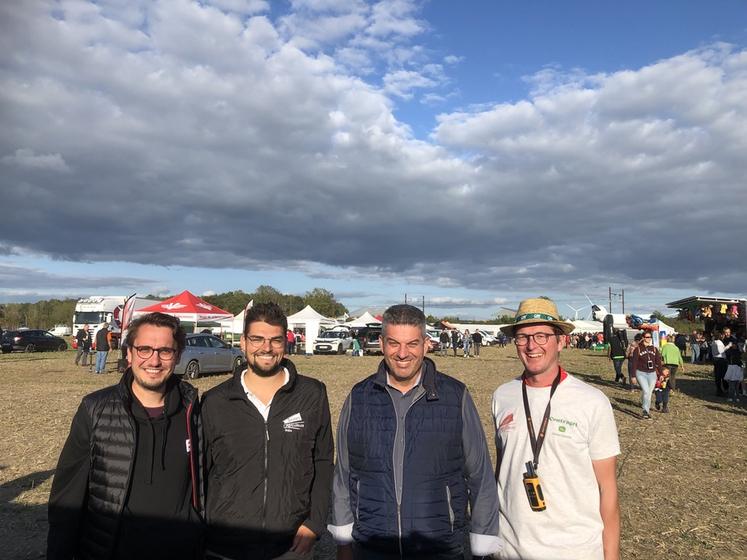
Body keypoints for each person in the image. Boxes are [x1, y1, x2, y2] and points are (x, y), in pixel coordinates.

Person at [329, 304, 500, 560]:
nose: (402, 353)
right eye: (393, 343)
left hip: (437, 546)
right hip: (372, 545)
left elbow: (481, 477)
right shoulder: (359, 396)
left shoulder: (456, 396)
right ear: (381, 343)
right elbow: (343, 474)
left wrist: (483, 547)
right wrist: (343, 542)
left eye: (412, 344)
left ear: (425, 344)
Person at [47, 312, 203, 560]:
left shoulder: (195, 410)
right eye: (144, 349)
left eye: (165, 351)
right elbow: (67, 500)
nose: (154, 361)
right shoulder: (95, 409)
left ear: (178, 356)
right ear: (129, 353)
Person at [201, 302, 333, 560]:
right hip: (225, 546)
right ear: (243, 342)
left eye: (275, 340)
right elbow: (201, 471)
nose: (266, 348)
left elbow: (324, 461)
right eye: (257, 339)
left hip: (290, 544)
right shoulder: (215, 401)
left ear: (286, 342)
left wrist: (314, 523)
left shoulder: (313, 394)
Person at [492, 298, 620, 560]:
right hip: (510, 549)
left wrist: (612, 554)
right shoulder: (502, 396)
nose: (531, 345)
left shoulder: (592, 401)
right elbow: (503, 469)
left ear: (561, 341)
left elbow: (607, 488)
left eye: (542, 335)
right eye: (522, 337)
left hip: (575, 550)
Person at [630, 331, 663, 419]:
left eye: (650, 337)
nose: (649, 339)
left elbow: (658, 362)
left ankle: (644, 404)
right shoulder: (638, 349)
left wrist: (661, 374)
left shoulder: (654, 349)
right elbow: (634, 363)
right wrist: (633, 376)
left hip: (652, 373)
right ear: (643, 338)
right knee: (646, 391)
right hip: (641, 373)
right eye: (647, 337)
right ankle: (645, 411)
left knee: (648, 393)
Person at [711, 331, 732, 397]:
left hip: (715, 359)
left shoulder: (713, 342)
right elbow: (721, 351)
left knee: (717, 376)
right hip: (721, 360)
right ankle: (725, 389)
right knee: (723, 375)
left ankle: (719, 390)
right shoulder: (719, 342)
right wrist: (729, 346)